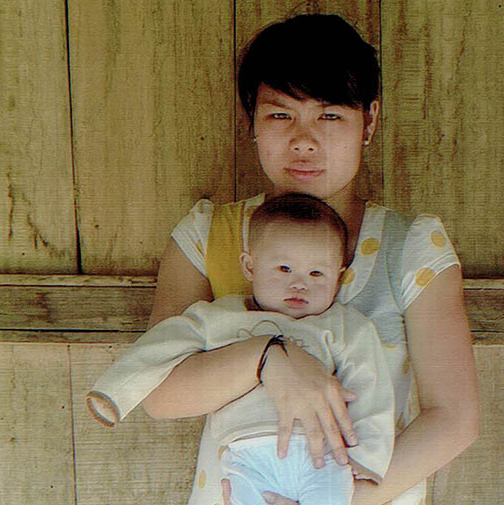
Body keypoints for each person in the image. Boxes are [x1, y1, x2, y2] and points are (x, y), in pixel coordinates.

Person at [141, 13, 480, 505]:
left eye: (330, 115)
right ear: (251, 121)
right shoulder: (208, 236)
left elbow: (454, 418)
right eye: (280, 115)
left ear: (369, 121)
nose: (304, 139)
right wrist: (267, 360)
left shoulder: (411, 246)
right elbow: (156, 392)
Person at [86, 193, 395, 505]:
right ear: (250, 266)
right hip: (247, 459)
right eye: (284, 268)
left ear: (339, 276)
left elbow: (370, 387)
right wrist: (116, 392)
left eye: (316, 273)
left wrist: (367, 460)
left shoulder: (344, 327)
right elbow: (162, 345)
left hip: (322, 457)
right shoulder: (220, 317)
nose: (299, 284)